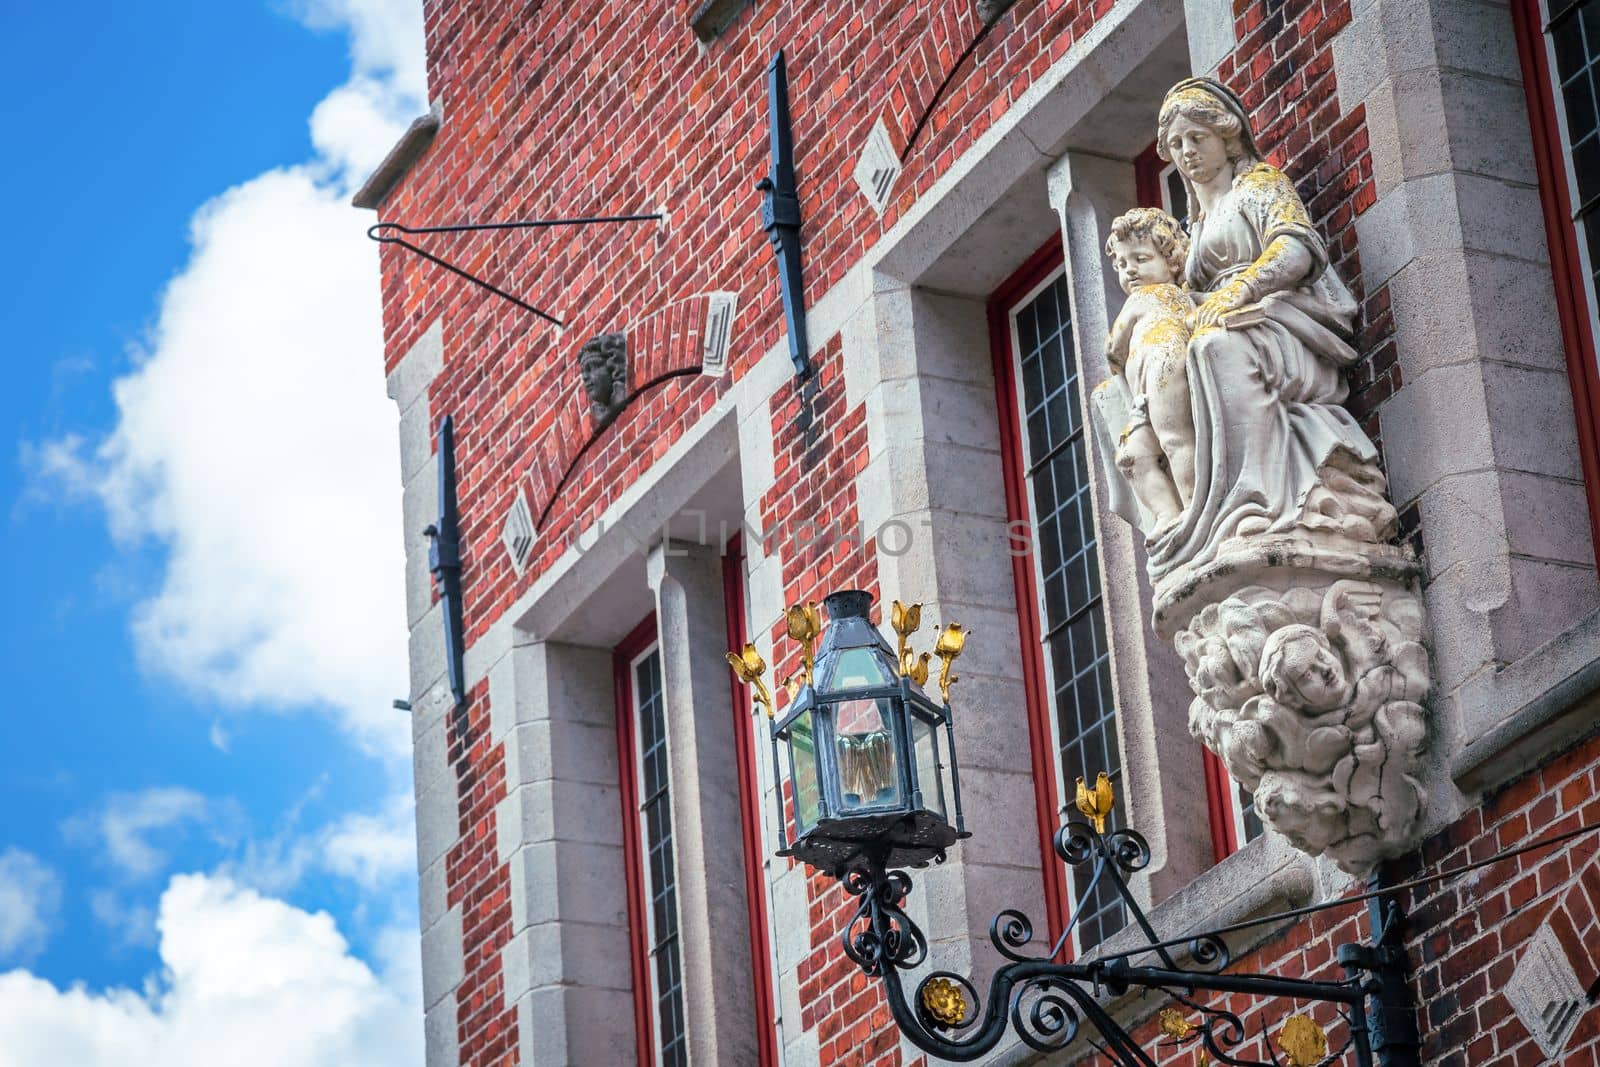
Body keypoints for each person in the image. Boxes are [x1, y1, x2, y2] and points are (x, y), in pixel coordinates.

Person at [1126, 78, 1395, 581]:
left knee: (1212, 349)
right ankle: (1204, 508)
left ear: (1226, 138)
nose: (1187, 152)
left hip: (1286, 320)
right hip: (1234, 321)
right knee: (1172, 363)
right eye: (1177, 144)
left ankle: (1259, 499)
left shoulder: (1258, 187)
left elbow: (1296, 250)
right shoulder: (1198, 224)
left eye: (1196, 138)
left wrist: (1241, 289)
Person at [1099, 207, 1197, 529]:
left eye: (1141, 259)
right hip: (1143, 387)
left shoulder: (1152, 297)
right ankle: (1168, 515)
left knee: (1175, 439)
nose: (1130, 271)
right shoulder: (1167, 298)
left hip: (1165, 364)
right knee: (1131, 456)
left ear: (1171, 261)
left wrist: (1115, 355)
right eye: (1123, 264)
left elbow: (1113, 348)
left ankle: (1195, 508)